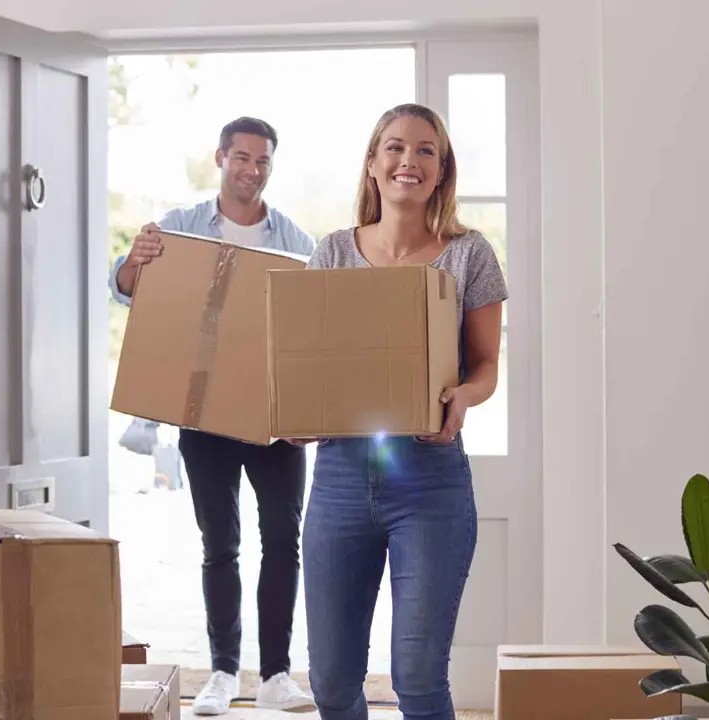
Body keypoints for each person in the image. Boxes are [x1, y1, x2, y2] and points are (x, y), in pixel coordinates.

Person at [292, 103, 508, 720]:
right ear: (372, 164)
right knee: (332, 682)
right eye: (394, 147)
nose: (407, 161)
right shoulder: (332, 253)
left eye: (424, 151)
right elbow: (308, 365)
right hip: (338, 478)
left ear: (441, 172)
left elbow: (486, 364)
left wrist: (462, 398)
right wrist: (297, 414)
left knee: (416, 676)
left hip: (431, 483)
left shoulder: (469, 257)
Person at [108, 116, 316, 715]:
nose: (252, 170)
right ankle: (223, 673)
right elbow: (125, 288)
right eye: (242, 158)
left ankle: (275, 675)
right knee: (219, 545)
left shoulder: (298, 240)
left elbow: (311, 332)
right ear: (221, 158)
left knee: (283, 542)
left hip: (275, 421)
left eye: (263, 161)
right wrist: (135, 259)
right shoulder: (179, 228)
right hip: (203, 419)